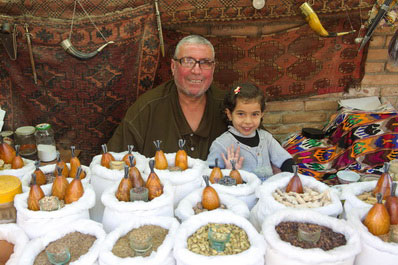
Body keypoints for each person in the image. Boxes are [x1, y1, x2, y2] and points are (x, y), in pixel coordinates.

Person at [107, 35, 227, 160]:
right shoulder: (147, 108)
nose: (196, 71)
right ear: (173, 66)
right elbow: (112, 163)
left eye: (205, 62)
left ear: (213, 68)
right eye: (188, 61)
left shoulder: (228, 107)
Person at [206, 83, 294, 181]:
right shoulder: (221, 144)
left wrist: (290, 180)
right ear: (229, 114)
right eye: (241, 114)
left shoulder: (266, 138)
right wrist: (228, 172)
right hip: (239, 194)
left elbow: (286, 161)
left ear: (261, 114)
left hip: (268, 193)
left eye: (254, 114)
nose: (248, 121)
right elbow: (211, 176)